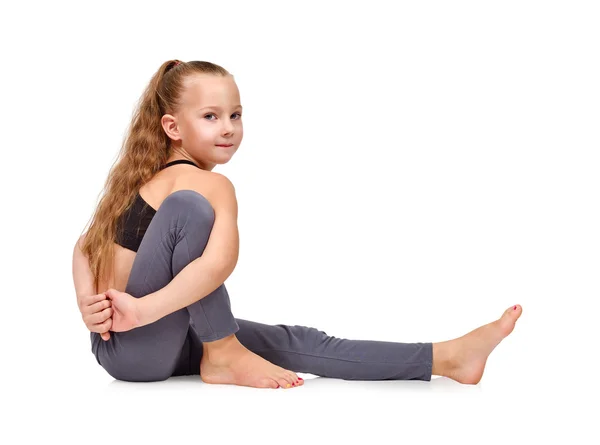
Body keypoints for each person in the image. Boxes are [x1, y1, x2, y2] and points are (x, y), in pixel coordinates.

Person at [72, 59, 523, 389]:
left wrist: (88, 302)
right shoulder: (201, 187)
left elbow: (81, 249)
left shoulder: (144, 179)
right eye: (210, 116)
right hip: (136, 346)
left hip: (156, 339)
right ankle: (224, 356)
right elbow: (219, 263)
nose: (228, 127)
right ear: (172, 127)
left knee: (298, 342)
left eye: (236, 114)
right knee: (189, 210)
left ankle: (447, 358)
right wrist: (132, 312)